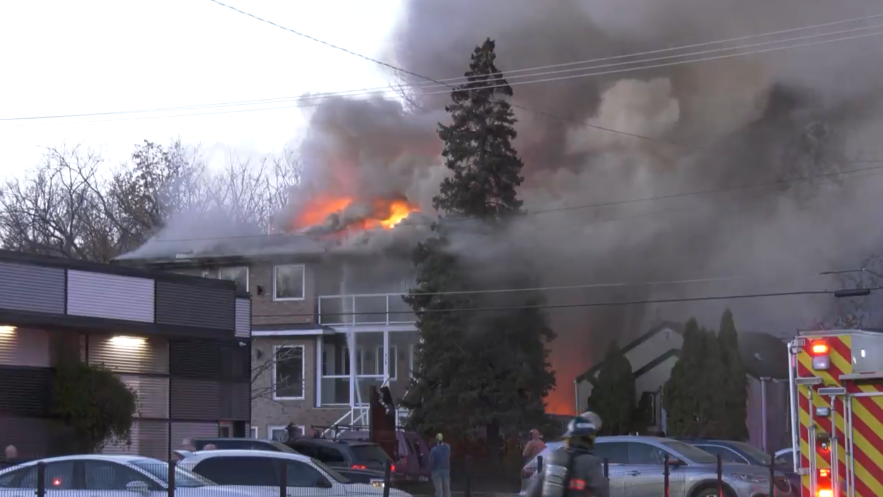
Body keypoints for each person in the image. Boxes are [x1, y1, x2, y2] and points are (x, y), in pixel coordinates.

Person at [525, 412, 608, 497]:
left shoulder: (554, 460)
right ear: (590, 440)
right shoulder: (590, 462)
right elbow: (601, 492)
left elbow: (533, 492)